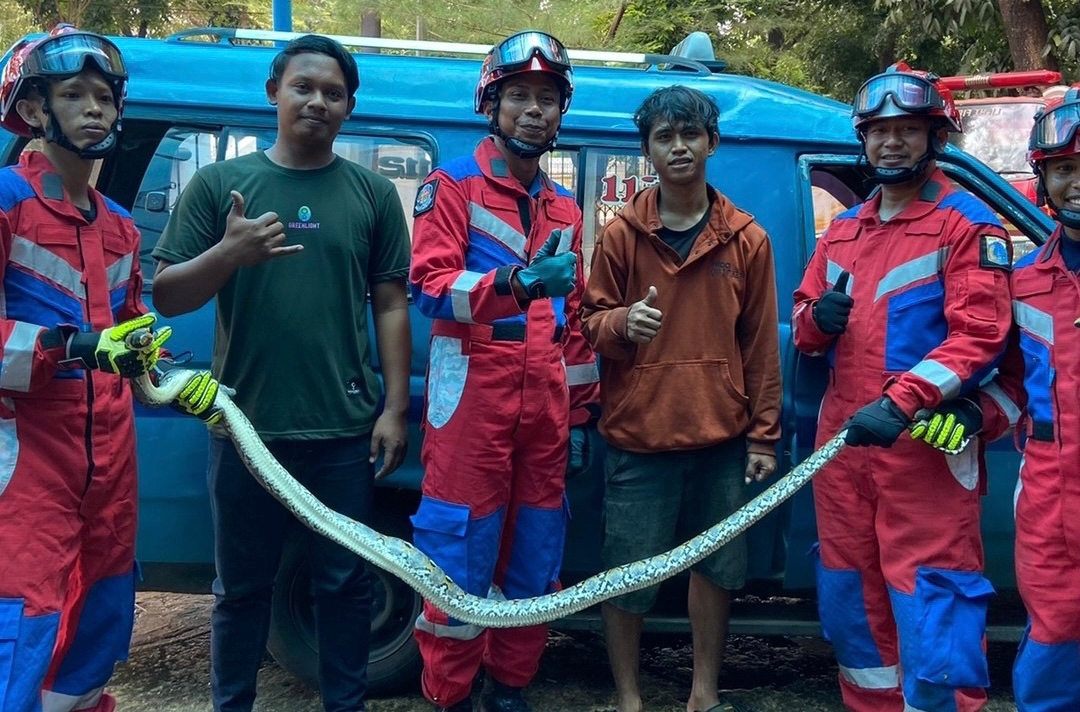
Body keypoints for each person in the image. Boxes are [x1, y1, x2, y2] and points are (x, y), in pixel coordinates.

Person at [150, 35, 412, 712]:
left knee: (345, 585)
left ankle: (344, 705)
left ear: (349, 106)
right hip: (244, 430)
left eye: (332, 92)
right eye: (303, 86)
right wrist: (228, 255)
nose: (317, 101)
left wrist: (393, 409)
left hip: (343, 433)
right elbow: (169, 294)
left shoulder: (373, 194)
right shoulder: (219, 186)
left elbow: (390, 302)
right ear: (274, 92)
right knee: (240, 591)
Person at [0, 24, 217, 712]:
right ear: (35, 111)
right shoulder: (7, 203)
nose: (96, 108)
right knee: (22, 616)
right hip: (27, 460)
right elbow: (88, 342)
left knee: (102, 608)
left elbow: (129, 338)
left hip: (111, 459)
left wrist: (177, 377)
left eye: (105, 96)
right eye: (75, 94)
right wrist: (71, 347)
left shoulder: (119, 224)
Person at [791, 63, 1013, 712]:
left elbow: (980, 337)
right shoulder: (844, 233)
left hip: (924, 452)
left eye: (908, 130)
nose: (892, 143)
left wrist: (904, 399)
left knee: (934, 612)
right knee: (853, 610)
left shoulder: (965, 224)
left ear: (933, 137)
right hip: (845, 453)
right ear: (864, 139)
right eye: (880, 130)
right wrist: (815, 320)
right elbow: (805, 329)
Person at [408, 29, 600, 712]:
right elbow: (430, 287)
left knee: (535, 560)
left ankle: (510, 688)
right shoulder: (450, 186)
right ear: (492, 103)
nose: (534, 111)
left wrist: (578, 416)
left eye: (547, 99)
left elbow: (571, 322)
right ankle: (450, 696)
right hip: (470, 411)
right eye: (519, 95)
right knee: (456, 562)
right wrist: (514, 285)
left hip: (543, 415)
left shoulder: (566, 210)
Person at [581, 85, 782, 712]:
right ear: (648, 151)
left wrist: (763, 436)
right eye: (664, 137)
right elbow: (587, 324)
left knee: (716, 574)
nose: (678, 148)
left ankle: (703, 695)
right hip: (639, 439)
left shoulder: (747, 239)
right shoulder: (620, 237)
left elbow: (761, 350)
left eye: (689, 135)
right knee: (628, 578)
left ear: (711, 143)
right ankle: (629, 699)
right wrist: (620, 327)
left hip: (722, 441)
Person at [912, 83, 1080, 712]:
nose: (1074, 183)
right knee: (1053, 654)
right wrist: (967, 417)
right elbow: (1012, 386)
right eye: (1063, 169)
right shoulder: (1029, 282)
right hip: (1050, 511)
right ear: (1043, 179)